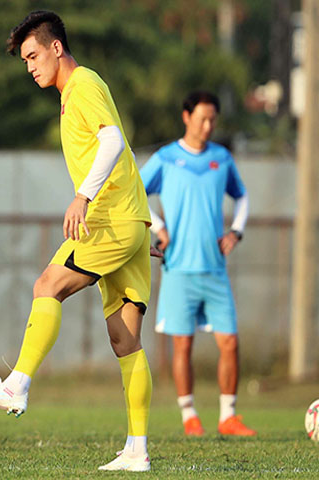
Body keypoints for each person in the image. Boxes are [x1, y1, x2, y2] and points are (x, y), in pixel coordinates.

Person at [0, 11, 156, 472]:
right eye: (24, 60)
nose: (29, 67)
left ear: (55, 48)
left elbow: (111, 142)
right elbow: (126, 151)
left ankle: (18, 384)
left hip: (107, 221)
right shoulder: (75, 94)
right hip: (127, 222)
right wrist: (145, 224)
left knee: (46, 286)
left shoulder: (82, 84)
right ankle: (137, 450)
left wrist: (83, 196)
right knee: (125, 339)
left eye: (32, 56)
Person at [140, 91, 255, 437]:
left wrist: (236, 231)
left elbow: (242, 196)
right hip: (178, 269)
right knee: (183, 345)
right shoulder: (166, 157)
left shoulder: (222, 158)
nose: (208, 126)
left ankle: (228, 416)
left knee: (230, 342)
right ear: (186, 116)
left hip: (214, 269)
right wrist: (158, 226)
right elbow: (134, 191)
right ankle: (189, 416)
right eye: (202, 118)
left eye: (213, 120)